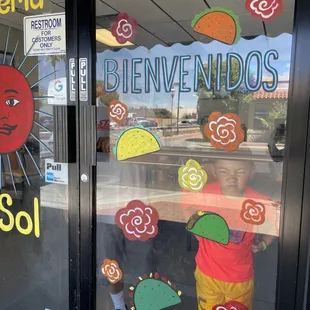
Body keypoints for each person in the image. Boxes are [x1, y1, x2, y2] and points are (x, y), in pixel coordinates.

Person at [183, 158, 276, 310]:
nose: (231, 177)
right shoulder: (206, 193)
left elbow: (277, 223)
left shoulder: (258, 201)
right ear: (214, 171)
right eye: (223, 171)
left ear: (252, 172)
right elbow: (187, 204)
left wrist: (264, 242)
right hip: (207, 273)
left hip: (239, 278)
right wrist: (196, 230)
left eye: (240, 172)